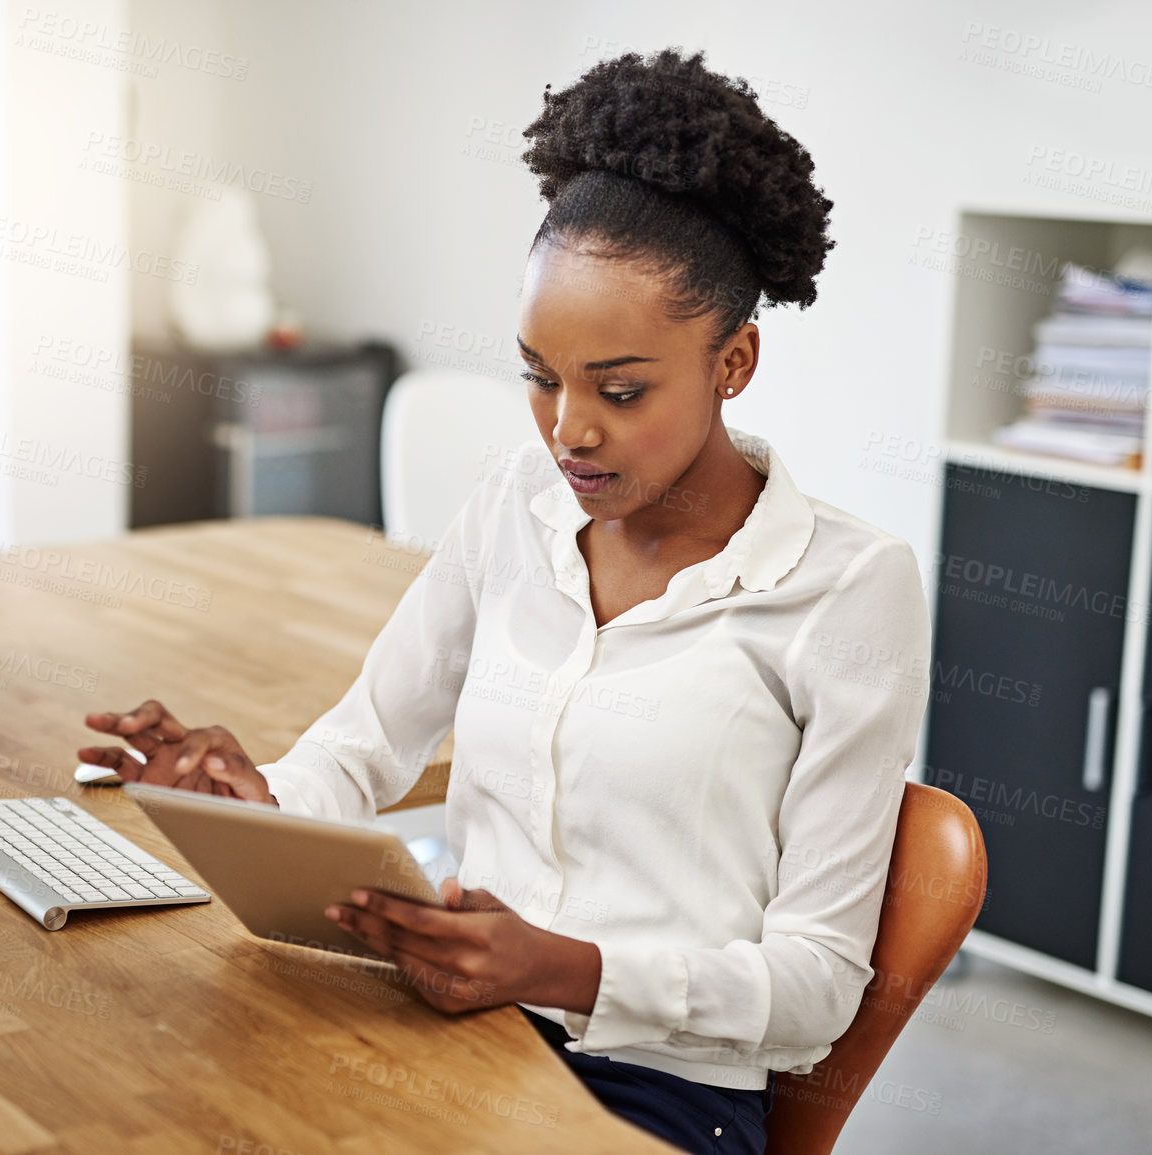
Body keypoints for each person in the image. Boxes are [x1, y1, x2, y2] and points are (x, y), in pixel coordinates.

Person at [76, 48, 931, 1155]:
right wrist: (252, 804)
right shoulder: (517, 507)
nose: (569, 429)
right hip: (454, 1028)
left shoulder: (847, 590)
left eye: (620, 391)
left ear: (734, 362)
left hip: (658, 1093)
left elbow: (815, 988)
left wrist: (564, 968)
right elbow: (364, 749)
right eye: (540, 375)